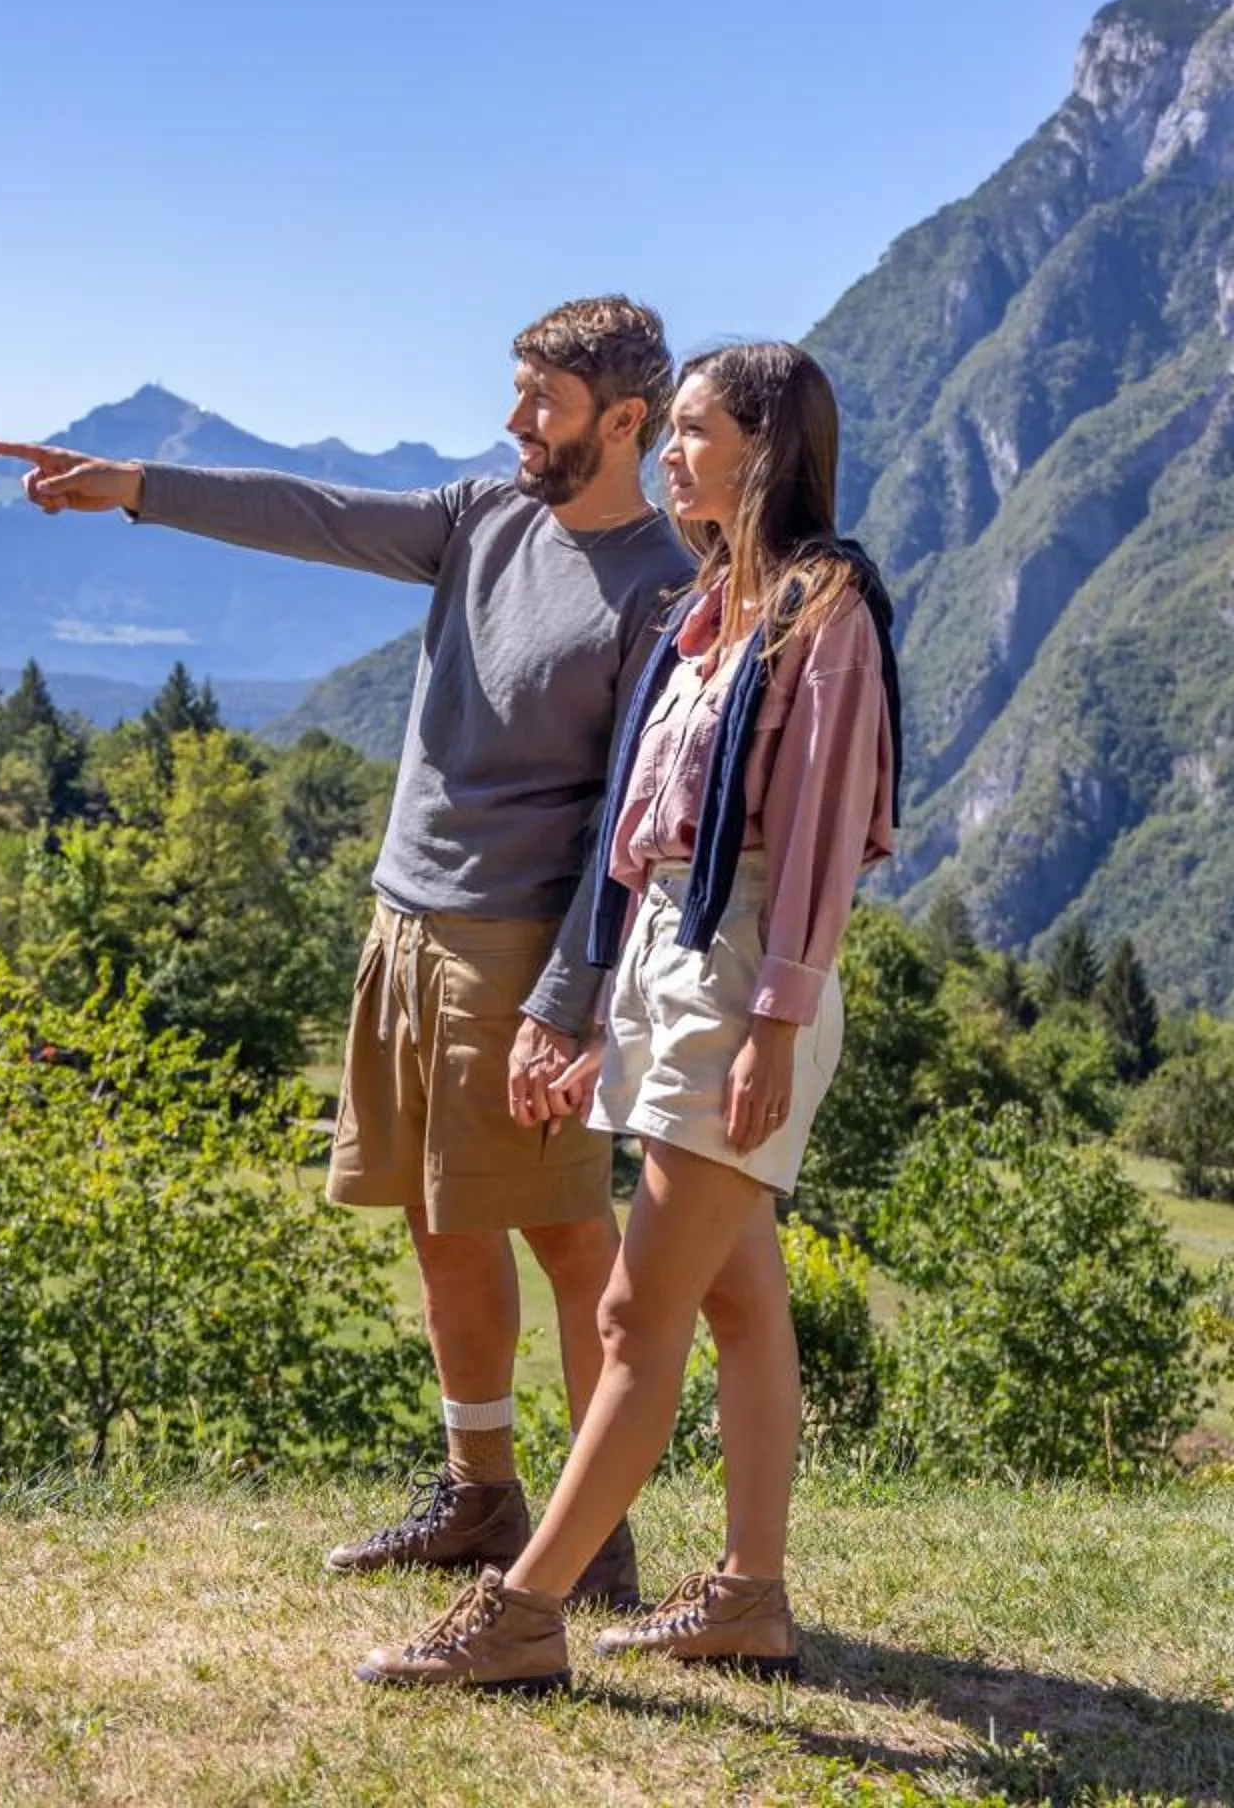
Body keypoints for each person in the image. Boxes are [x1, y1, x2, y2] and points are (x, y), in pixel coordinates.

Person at [0, 299, 690, 1607]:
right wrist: (136, 487)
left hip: (517, 948)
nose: (514, 420)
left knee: (568, 1237)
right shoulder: (483, 519)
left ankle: (596, 1534)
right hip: (405, 922)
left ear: (624, 421)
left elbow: (622, 826)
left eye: (541, 399)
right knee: (435, 1223)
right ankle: (482, 1494)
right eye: (518, 391)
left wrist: (570, 998)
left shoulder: (659, 588)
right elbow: (315, 513)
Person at [358, 339, 899, 1694]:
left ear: (764, 448)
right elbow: (635, 832)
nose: (674, 452)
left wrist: (778, 1021)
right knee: (738, 1296)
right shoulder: (711, 605)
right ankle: (748, 1600)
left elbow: (825, 839)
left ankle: (527, 1607)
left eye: (699, 432)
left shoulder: (822, 611)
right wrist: (587, 1008)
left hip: (742, 975)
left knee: (631, 1315)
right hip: (675, 957)